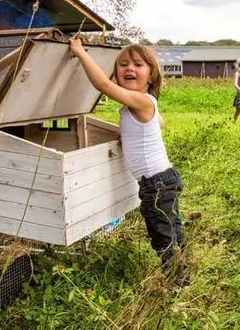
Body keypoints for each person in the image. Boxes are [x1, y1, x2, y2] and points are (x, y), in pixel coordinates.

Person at [69, 37, 187, 285]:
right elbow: (159, 123)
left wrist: (80, 52)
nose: (129, 68)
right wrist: (131, 136)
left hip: (156, 184)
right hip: (164, 180)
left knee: (163, 237)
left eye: (137, 64)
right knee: (173, 230)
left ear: (152, 76)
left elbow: (103, 84)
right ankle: (183, 275)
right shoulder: (145, 105)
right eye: (122, 65)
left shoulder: (142, 101)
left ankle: (177, 285)